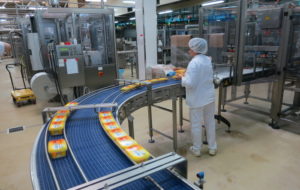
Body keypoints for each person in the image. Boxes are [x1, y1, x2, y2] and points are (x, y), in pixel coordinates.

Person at [181, 38, 217, 157]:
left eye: (190, 48)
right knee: (210, 122)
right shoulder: (207, 60)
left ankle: (197, 149)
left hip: (197, 98)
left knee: (196, 124)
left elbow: (190, 83)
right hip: (209, 96)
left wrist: (182, 78)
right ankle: (212, 147)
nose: (189, 50)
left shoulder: (194, 63)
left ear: (195, 49)